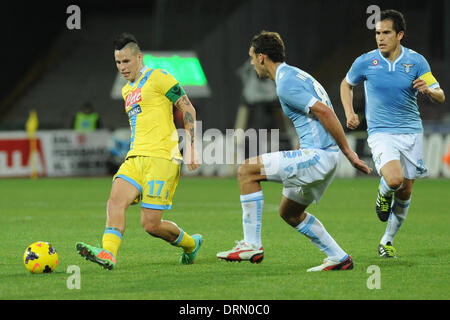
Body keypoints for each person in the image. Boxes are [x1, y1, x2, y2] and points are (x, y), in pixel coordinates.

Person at [217, 31, 371, 272]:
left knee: (246, 171)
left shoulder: (286, 83)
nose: (249, 63)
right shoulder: (295, 75)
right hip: (321, 156)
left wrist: (349, 153)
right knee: (290, 213)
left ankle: (251, 244)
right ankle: (339, 257)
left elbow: (326, 113)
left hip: (318, 156)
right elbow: (312, 118)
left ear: (261, 57)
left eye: (250, 57)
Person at [75, 33, 202, 270]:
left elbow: (188, 108)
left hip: (163, 157)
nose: (122, 67)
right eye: (118, 62)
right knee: (114, 202)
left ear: (139, 57)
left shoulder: (159, 77)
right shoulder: (126, 91)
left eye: (126, 61)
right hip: (134, 158)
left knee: (151, 225)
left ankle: (190, 244)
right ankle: (108, 254)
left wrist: (192, 146)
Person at [340, 10, 445, 258]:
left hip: (411, 132)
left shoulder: (416, 62)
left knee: (406, 190)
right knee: (394, 180)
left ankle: (386, 240)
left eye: (386, 32)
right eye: (377, 33)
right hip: (381, 132)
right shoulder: (365, 61)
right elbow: (346, 84)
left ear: (400, 35)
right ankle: (382, 193)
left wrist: (429, 91)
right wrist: (349, 112)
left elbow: (440, 94)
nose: (380, 37)